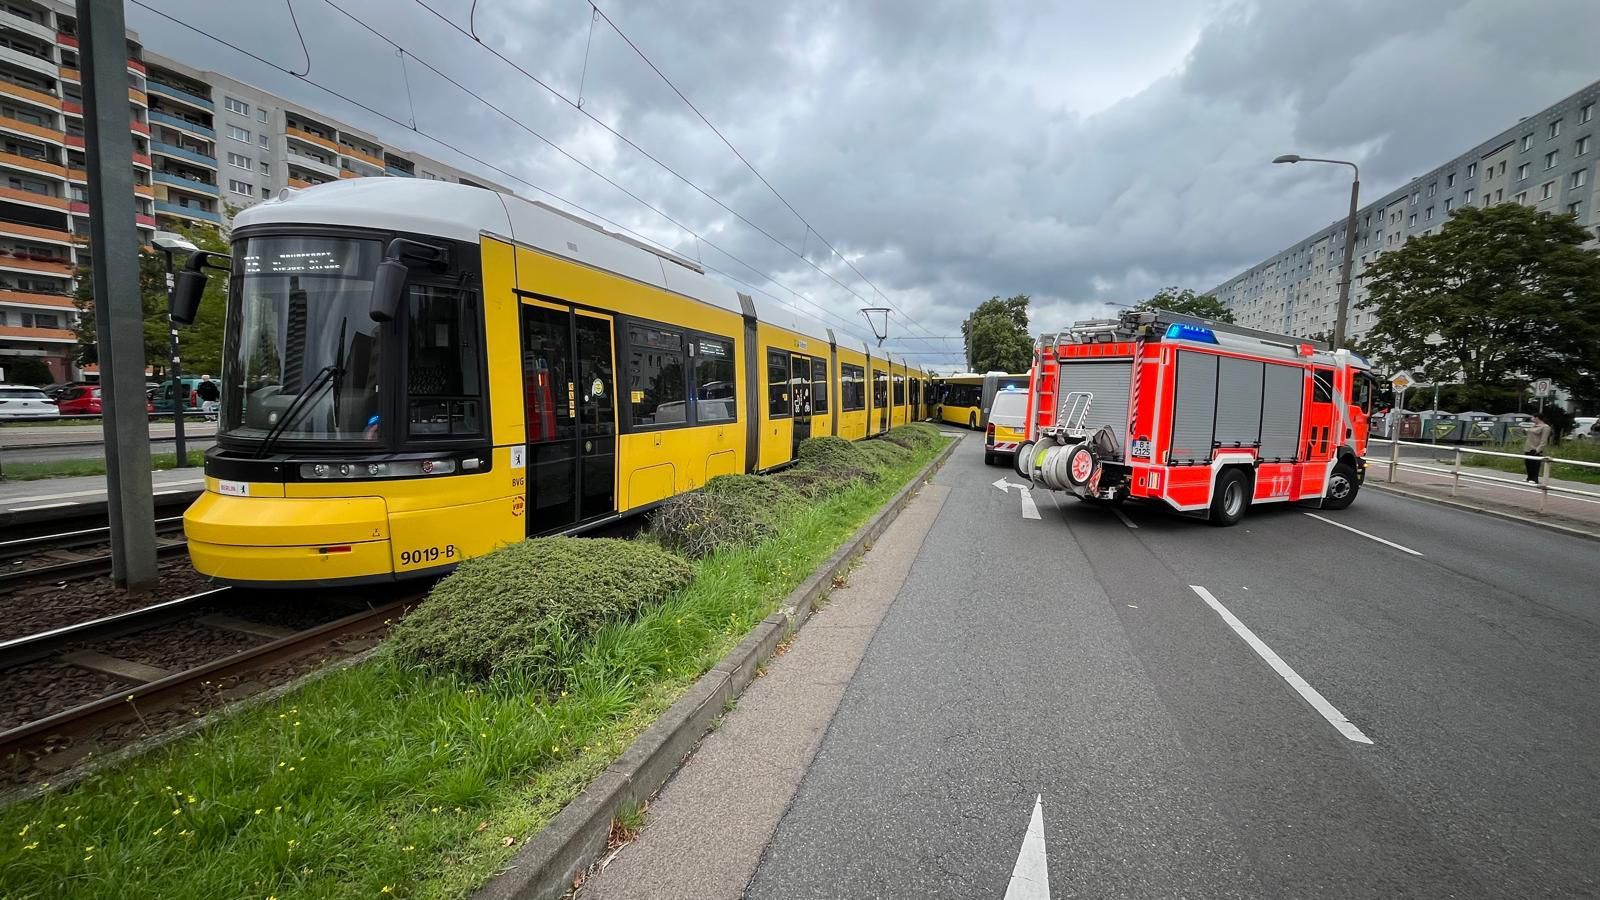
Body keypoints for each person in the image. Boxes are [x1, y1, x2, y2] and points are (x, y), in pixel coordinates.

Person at [1523, 412, 1552, 483]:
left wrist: (1538, 449)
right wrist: (1524, 431)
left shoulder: (1545, 427)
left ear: (1537, 418)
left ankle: (1534, 479)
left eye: (1533, 417)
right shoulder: (1533, 426)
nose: (1531, 419)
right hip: (1528, 447)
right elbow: (1530, 434)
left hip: (1535, 448)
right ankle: (1529, 477)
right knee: (1528, 463)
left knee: (1535, 464)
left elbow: (1544, 440)